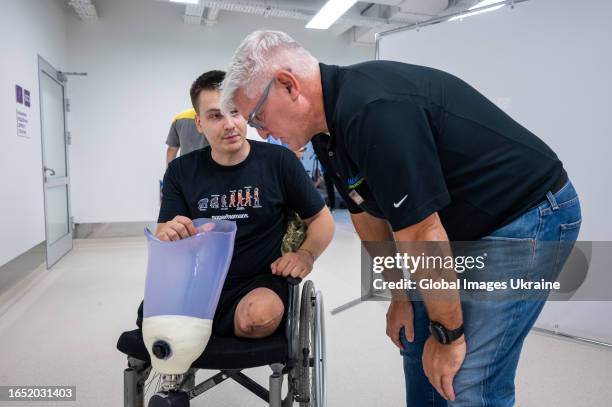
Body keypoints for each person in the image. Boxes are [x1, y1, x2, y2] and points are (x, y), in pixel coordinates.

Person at [221, 30, 581, 405]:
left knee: (467, 375)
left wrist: (449, 335)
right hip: (456, 229)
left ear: (287, 85)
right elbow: (366, 214)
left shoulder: (374, 109)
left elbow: (422, 231)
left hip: (528, 216)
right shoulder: (328, 132)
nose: (260, 132)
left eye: (258, 116)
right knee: (415, 341)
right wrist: (400, 293)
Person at [138, 70, 334, 339]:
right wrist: (170, 234)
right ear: (199, 123)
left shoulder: (279, 162)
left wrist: (305, 255)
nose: (229, 124)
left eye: (235, 112)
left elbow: (322, 220)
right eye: (215, 116)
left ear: (246, 113)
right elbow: (164, 234)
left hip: (260, 281)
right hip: (197, 282)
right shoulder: (181, 171)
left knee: (257, 317)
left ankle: (207, 329)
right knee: (153, 324)